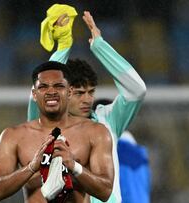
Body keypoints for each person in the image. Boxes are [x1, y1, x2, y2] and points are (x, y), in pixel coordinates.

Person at [27, 10, 147, 203]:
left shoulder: (107, 120)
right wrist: (63, 46)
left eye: (91, 92)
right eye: (79, 93)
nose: (87, 100)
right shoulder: (47, 123)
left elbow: (137, 90)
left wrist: (100, 47)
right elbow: (40, 92)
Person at [0, 61, 114, 202]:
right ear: (34, 94)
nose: (51, 92)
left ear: (69, 91)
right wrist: (31, 167)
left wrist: (74, 166)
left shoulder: (95, 132)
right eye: (43, 87)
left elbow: (106, 191)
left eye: (58, 86)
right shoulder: (13, 136)